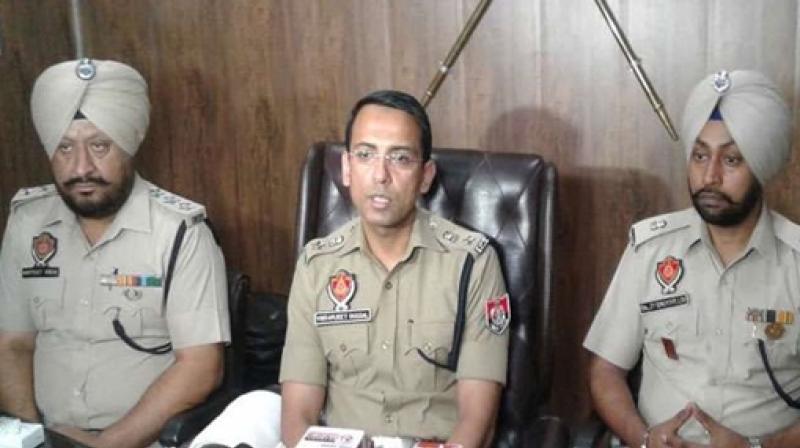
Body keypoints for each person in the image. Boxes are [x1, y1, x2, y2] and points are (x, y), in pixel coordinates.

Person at [191, 90, 509, 448]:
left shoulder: (473, 262)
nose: (380, 175)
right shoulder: (317, 265)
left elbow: (478, 424)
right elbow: (298, 415)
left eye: (400, 158)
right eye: (365, 155)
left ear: (425, 176)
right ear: (346, 168)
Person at [0, 59, 230, 448]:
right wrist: (34, 436)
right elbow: (12, 345)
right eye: (64, 148)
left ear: (129, 144)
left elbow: (200, 367)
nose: (81, 168)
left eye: (100, 146)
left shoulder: (179, 232)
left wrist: (103, 445)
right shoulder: (28, 224)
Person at [584, 69, 800, 447]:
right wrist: (644, 439)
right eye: (700, 156)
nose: (709, 176)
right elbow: (605, 371)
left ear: (762, 167)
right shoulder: (650, 249)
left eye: (731, 160)